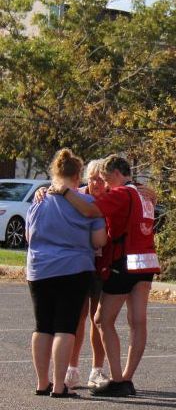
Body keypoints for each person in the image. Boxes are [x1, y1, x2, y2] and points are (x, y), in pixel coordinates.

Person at [51, 154, 160, 398]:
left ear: (117, 174)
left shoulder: (121, 193)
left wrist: (64, 192)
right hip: (147, 262)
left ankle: (118, 378)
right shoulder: (145, 194)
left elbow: (91, 210)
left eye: (107, 177)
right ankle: (128, 378)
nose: (105, 183)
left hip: (123, 262)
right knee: (138, 321)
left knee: (102, 319)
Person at [26, 149, 107, 399]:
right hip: (74, 268)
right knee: (65, 328)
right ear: (77, 176)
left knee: (43, 327)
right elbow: (99, 240)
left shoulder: (38, 200)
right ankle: (60, 386)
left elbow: (29, 237)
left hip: (39, 269)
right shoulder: (88, 205)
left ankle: (42, 383)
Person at [63, 160, 110, 390]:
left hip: (103, 266)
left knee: (98, 318)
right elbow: (56, 191)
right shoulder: (76, 196)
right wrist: (42, 190)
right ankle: (71, 369)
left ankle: (96, 370)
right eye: (92, 178)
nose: (96, 183)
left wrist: (148, 192)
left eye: (101, 179)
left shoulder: (113, 199)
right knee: (77, 317)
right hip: (80, 264)